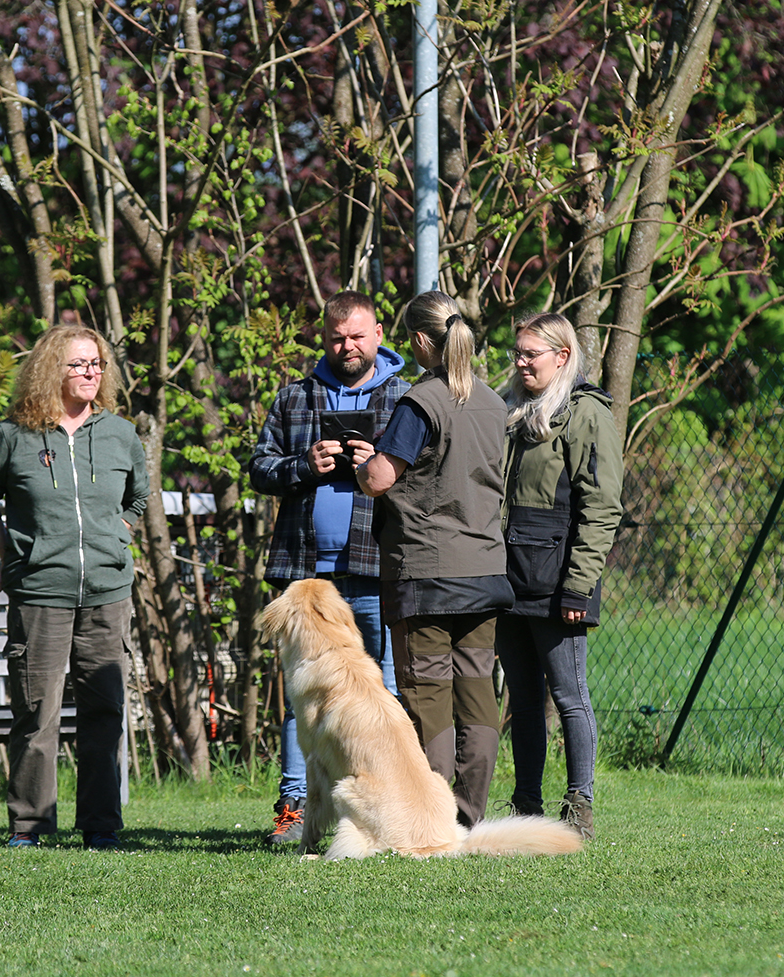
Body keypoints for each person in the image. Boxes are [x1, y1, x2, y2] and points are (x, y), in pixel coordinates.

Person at [0, 324, 149, 850]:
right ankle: (30, 826)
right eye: (79, 364)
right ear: (52, 370)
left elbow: (139, 496)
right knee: (36, 713)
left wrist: (118, 534)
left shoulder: (120, 434)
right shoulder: (13, 437)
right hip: (39, 593)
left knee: (104, 714)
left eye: (97, 364)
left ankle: (100, 826)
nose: (91, 373)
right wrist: (10, 551)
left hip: (107, 592)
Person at [249, 290, 409, 844]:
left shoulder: (406, 399)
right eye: (338, 338)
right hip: (306, 579)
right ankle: (294, 809)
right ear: (324, 338)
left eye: (358, 336)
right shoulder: (294, 398)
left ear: (379, 335)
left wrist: (380, 468)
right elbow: (260, 468)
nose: (348, 347)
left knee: (384, 693)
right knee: (304, 698)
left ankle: (386, 803)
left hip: (378, 568)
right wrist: (303, 464)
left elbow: (430, 479)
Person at [356, 290, 514, 828]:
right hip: (485, 570)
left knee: (428, 697)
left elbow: (381, 479)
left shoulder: (420, 401)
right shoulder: (493, 402)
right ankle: (468, 820)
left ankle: (430, 819)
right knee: (478, 697)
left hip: (427, 573)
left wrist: (366, 464)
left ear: (422, 341)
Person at [496, 312, 623, 840]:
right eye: (519, 353)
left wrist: (578, 585)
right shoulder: (509, 408)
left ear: (563, 356)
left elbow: (603, 507)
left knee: (569, 696)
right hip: (507, 579)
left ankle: (579, 807)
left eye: (532, 354)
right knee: (522, 700)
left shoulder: (586, 412)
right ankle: (526, 803)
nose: (521, 362)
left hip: (560, 583)